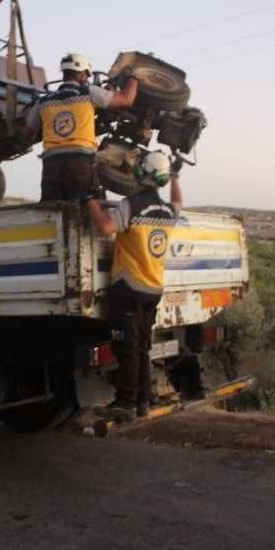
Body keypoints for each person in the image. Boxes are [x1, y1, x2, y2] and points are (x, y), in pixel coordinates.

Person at [86, 151, 182, 422]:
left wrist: (90, 203)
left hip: (128, 289)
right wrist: (175, 176)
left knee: (127, 347)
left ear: (140, 174)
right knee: (141, 347)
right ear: (162, 178)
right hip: (152, 289)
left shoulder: (131, 205)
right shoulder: (167, 212)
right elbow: (178, 201)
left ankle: (125, 403)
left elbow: (105, 227)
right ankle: (142, 400)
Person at [24, 53, 138, 201]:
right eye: (86, 76)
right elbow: (126, 100)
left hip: (51, 165)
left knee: (50, 211)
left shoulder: (43, 102)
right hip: (80, 163)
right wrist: (134, 78)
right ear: (82, 75)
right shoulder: (89, 92)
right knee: (85, 208)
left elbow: (27, 133)